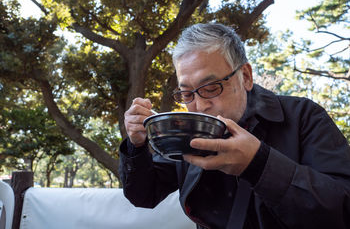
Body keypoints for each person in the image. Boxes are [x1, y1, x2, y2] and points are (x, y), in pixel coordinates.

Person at [119, 23, 350, 229]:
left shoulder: (303, 117)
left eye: (210, 88)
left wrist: (258, 164)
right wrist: (136, 146)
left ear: (246, 77)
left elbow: (342, 210)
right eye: (187, 93)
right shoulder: (188, 132)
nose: (199, 105)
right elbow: (144, 195)